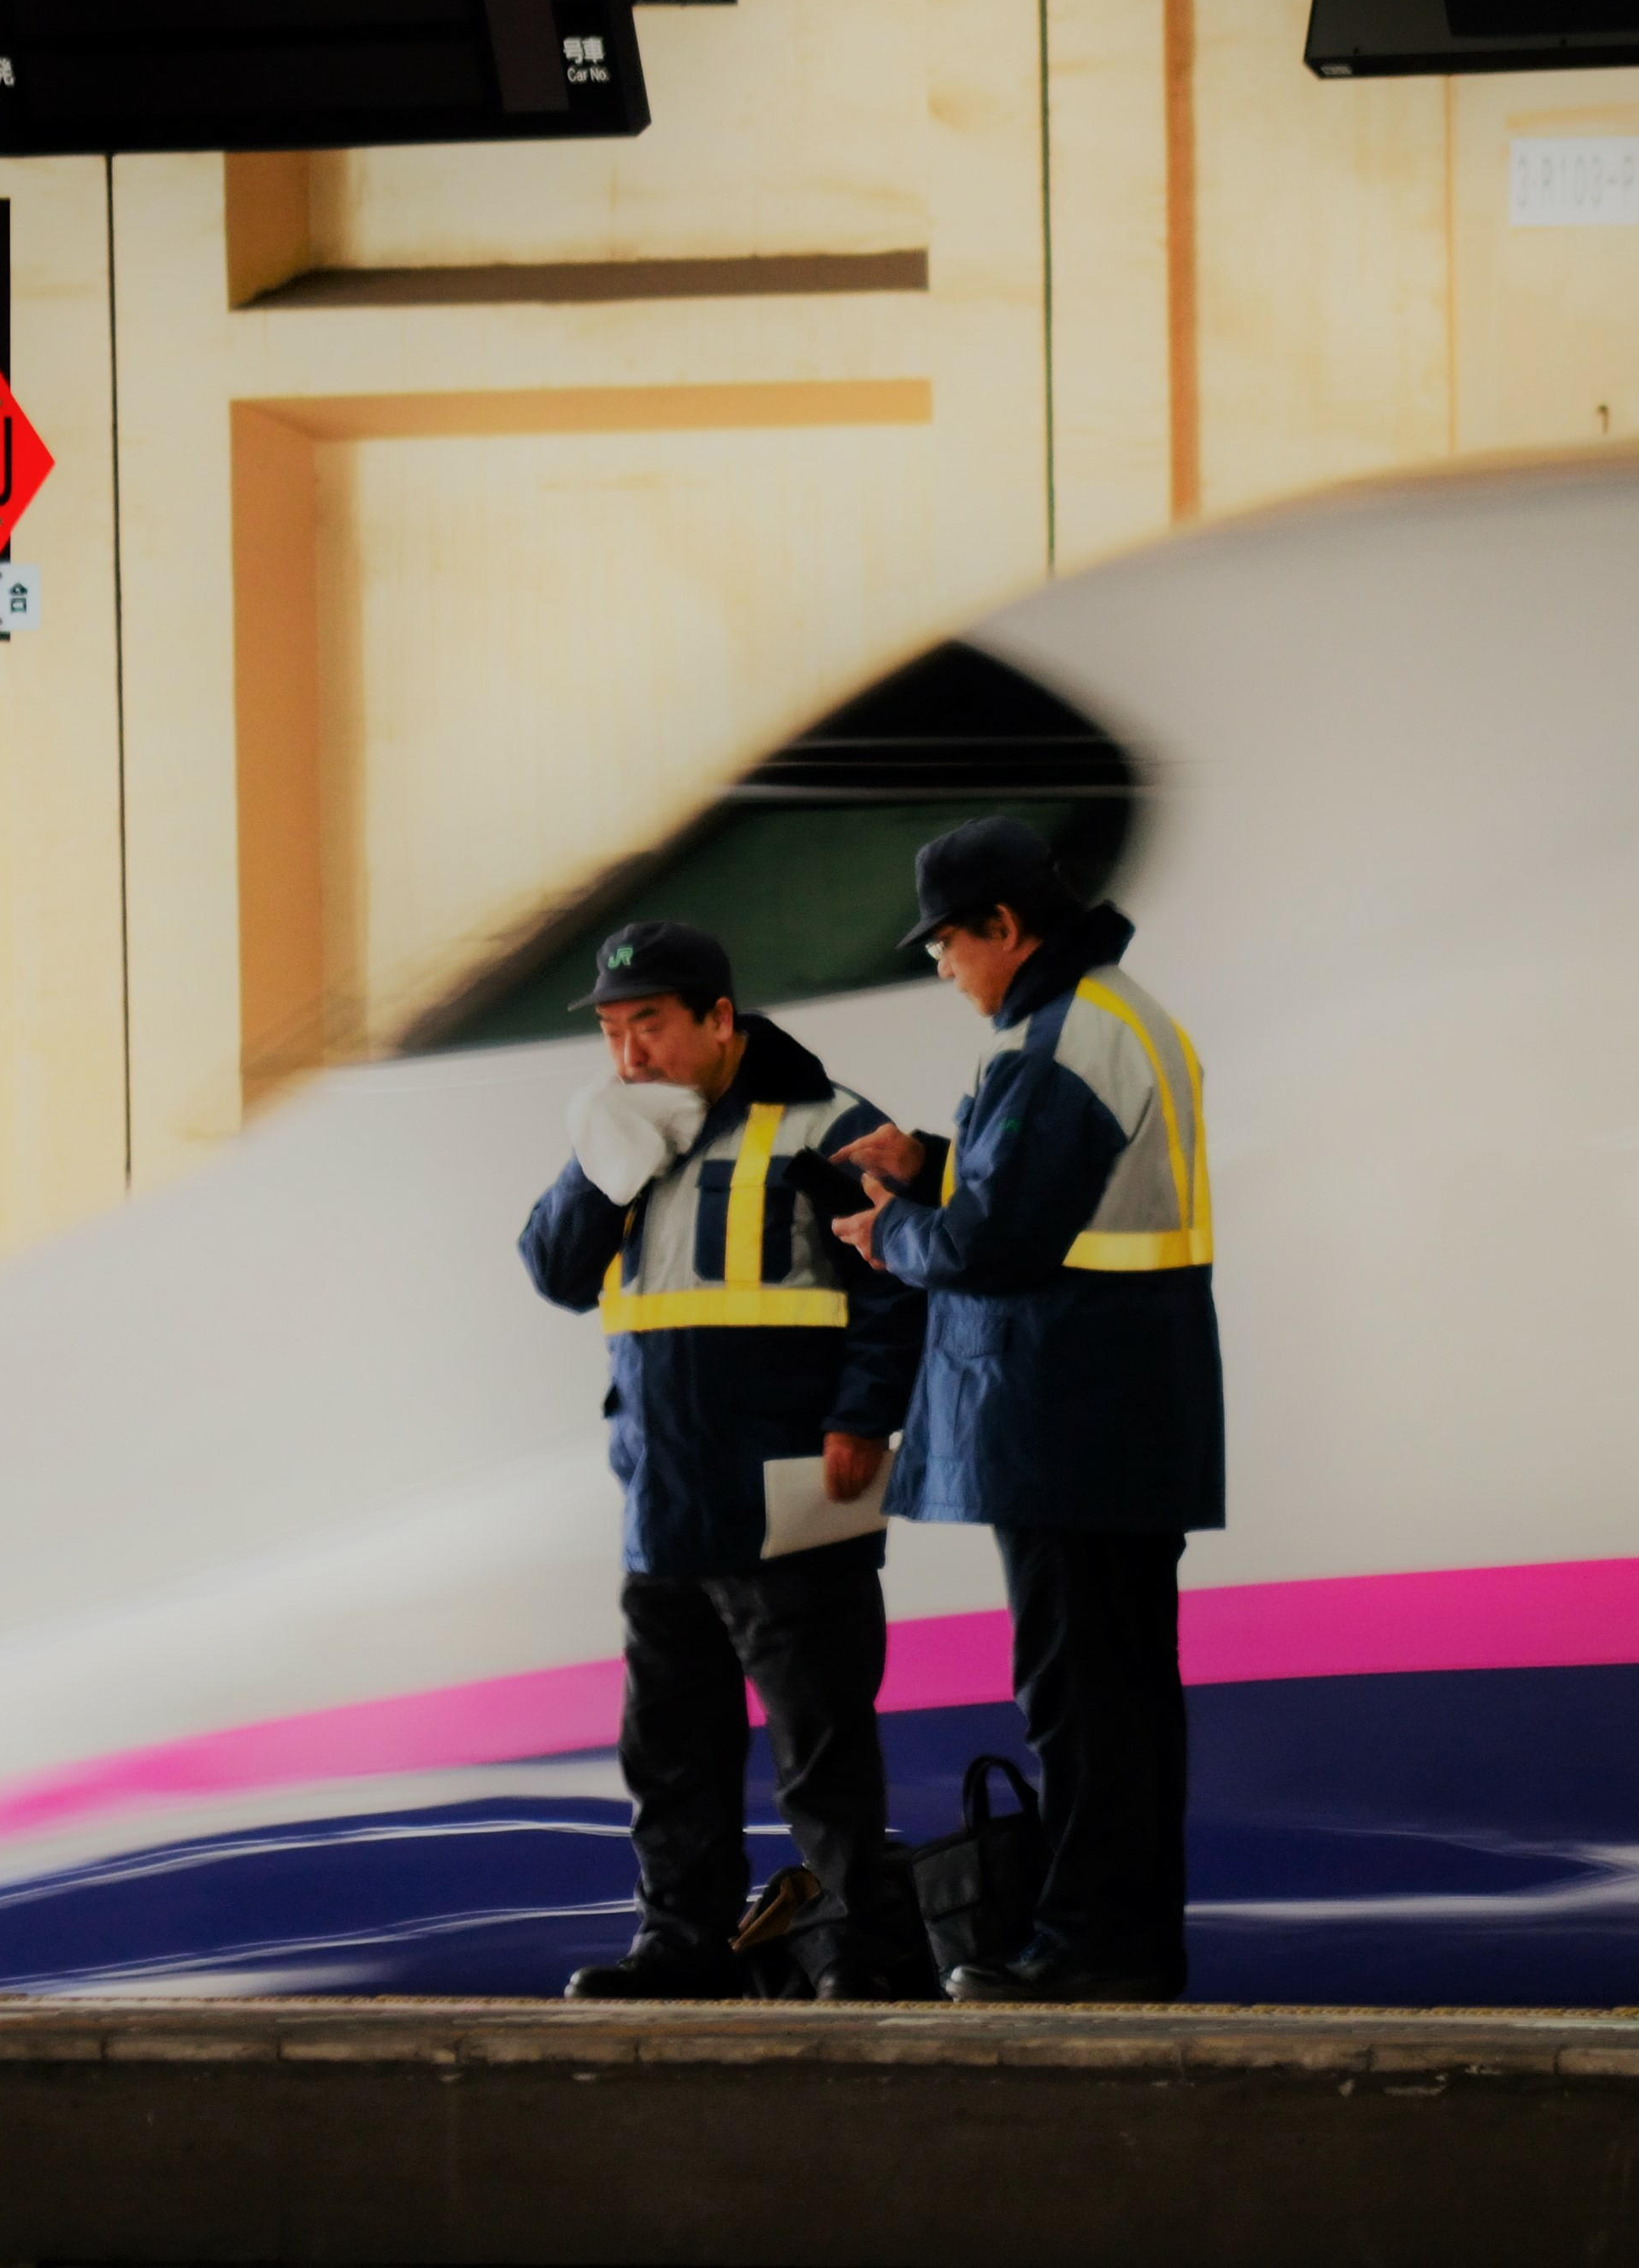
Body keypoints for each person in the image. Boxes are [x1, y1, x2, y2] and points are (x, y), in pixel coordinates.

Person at [828, 819, 1224, 2003]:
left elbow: (998, 1242)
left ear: (1003, 927)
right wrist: (929, 1163)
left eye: (945, 943)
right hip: (1116, 1408)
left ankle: (1088, 1947)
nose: (941, 967)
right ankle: (1128, 1946)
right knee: (1123, 1700)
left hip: (1067, 1412)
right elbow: (1050, 1192)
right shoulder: (1109, 1019)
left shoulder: (1065, 1041)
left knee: (1083, 1702)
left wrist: (892, 1231)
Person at [517, 920, 933, 2000]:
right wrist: (605, 1163)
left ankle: (863, 1954)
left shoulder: (830, 1124)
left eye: (649, 1025)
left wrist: (865, 1416)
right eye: (613, 1031)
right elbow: (555, 1273)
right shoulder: (621, 1129)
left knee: (821, 1747)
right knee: (670, 1749)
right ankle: (680, 1947)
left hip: (792, 1489)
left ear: (717, 1018)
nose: (629, 1054)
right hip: (664, 1497)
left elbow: (898, 1285)